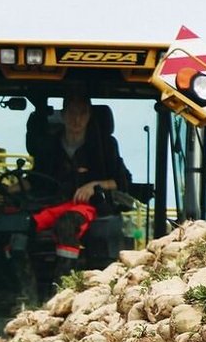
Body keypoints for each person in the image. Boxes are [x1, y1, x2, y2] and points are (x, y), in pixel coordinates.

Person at [26, 90, 132, 268]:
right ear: (63, 114)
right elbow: (36, 179)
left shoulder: (104, 146)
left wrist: (93, 186)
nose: (77, 119)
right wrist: (6, 188)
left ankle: (63, 283)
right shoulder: (50, 145)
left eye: (82, 113)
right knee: (22, 226)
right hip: (52, 204)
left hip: (88, 207)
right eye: (72, 113)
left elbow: (122, 181)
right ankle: (22, 288)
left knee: (67, 225)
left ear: (90, 116)